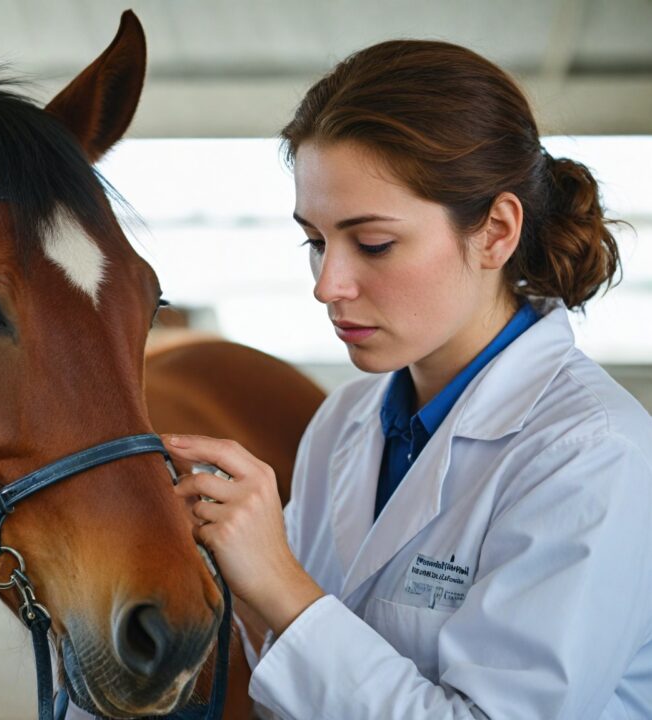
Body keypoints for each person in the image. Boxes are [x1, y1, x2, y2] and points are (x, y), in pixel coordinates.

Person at [166, 39, 652, 719]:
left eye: (373, 244)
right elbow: (299, 684)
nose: (328, 285)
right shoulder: (344, 422)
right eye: (315, 241)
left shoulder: (592, 452)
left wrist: (279, 583)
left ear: (495, 231)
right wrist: (233, 576)